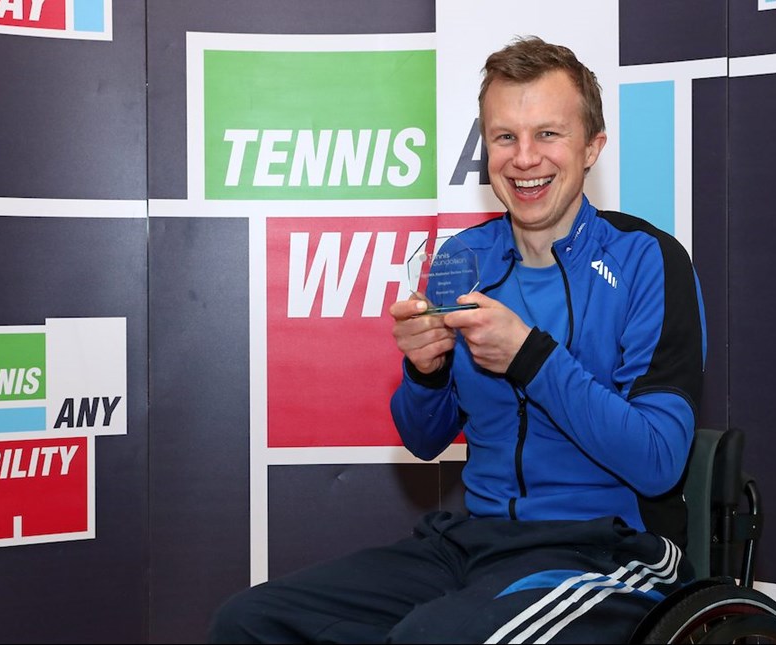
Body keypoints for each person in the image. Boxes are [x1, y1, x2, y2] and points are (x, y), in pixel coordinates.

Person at [208, 35, 706, 644]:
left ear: (591, 146)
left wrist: (530, 357)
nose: (524, 158)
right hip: (471, 542)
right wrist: (425, 371)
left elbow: (658, 463)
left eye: (548, 134)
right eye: (505, 137)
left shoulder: (647, 259)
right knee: (249, 622)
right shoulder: (465, 256)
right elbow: (423, 439)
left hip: (607, 551)